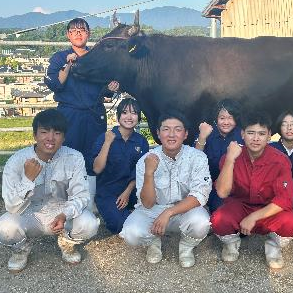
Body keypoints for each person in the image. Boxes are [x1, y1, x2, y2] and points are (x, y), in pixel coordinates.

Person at [0, 109, 99, 273]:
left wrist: (64, 214)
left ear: (64, 137)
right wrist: (27, 180)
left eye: (57, 133)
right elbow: (11, 207)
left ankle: (67, 243)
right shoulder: (17, 161)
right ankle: (21, 249)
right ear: (35, 135)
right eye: (44, 132)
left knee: (89, 223)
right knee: (4, 226)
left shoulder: (74, 158)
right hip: (29, 213)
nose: (50, 138)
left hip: (61, 211)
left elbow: (81, 196)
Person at [44, 18, 120, 211]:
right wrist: (68, 64)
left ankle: (90, 201)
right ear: (68, 35)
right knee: (66, 154)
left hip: (94, 114)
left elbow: (108, 89)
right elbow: (55, 83)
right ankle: (63, 201)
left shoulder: (98, 57)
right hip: (69, 114)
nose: (78, 33)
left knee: (93, 156)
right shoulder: (59, 58)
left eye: (82, 30)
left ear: (89, 33)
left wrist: (112, 88)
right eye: (74, 30)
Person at [120, 110, 212, 268]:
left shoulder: (197, 157)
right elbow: (147, 204)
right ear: (158, 133)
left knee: (201, 222)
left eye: (177, 129)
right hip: (153, 210)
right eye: (166, 129)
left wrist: (168, 212)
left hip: (184, 209)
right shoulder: (146, 160)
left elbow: (200, 195)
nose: (171, 134)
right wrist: (149, 173)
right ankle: (153, 242)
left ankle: (186, 247)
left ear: (185, 134)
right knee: (131, 233)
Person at [211, 110, 293, 269]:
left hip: (269, 209)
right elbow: (222, 192)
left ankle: (273, 247)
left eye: (261, 133)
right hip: (240, 206)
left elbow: (285, 199)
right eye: (251, 133)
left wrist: (253, 217)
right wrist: (230, 159)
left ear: (269, 135)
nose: (256, 138)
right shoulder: (231, 156)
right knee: (218, 219)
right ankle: (231, 244)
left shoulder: (280, 161)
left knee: (291, 222)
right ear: (242, 134)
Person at [91, 98, 149, 234]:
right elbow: (97, 168)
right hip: (108, 191)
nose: (129, 117)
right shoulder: (105, 137)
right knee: (119, 224)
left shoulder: (141, 141)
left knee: (151, 211)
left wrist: (128, 191)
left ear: (138, 118)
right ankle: (129, 218)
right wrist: (107, 143)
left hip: (133, 190)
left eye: (134, 113)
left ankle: (133, 216)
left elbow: (141, 170)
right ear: (118, 117)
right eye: (124, 113)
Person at [195, 99, 244, 213]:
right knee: (219, 208)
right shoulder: (207, 132)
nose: (226, 122)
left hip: (237, 185)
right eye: (222, 118)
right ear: (216, 119)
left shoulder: (242, 134)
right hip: (210, 185)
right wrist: (202, 137)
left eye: (230, 118)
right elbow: (195, 159)